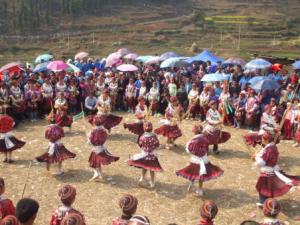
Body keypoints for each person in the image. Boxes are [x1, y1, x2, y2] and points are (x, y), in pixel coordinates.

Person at [253, 131, 300, 206]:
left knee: (262, 187)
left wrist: (256, 158)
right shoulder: (273, 146)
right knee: (269, 187)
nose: (261, 140)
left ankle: (263, 202)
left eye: (262, 139)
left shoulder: (268, 149)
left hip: (267, 171)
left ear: (266, 140)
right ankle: (267, 201)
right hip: (272, 169)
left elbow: (262, 162)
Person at [176, 125, 223, 196]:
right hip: (204, 159)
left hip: (195, 160)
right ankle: (200, 189)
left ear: (195, 132)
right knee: (201, 175)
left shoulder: (193, 140)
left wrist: (187, 146)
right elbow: (207, 150)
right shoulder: (205, 139)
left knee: (193, 172)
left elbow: (189, 150)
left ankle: (191, 182)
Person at [128, 122, 162, 188]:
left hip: (144, 155)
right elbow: (157, 145)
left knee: (144, 167)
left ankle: (142, 178)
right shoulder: (154, 137)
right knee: (151, 169)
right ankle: (152, 182)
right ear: (152, 128)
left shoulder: (142, 137)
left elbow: (140, 144)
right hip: (152, 156)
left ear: (144, 128)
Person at [88, 115, 119, 181]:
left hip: (96, 149)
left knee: (92, 162)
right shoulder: (104, 130)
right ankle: (100, 175)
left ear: (94, 123)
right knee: (97, 162)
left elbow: (90, 142)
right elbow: (104, 138)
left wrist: (88, 137)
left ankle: (96, 173)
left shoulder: (93, 132)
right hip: (102, 148)